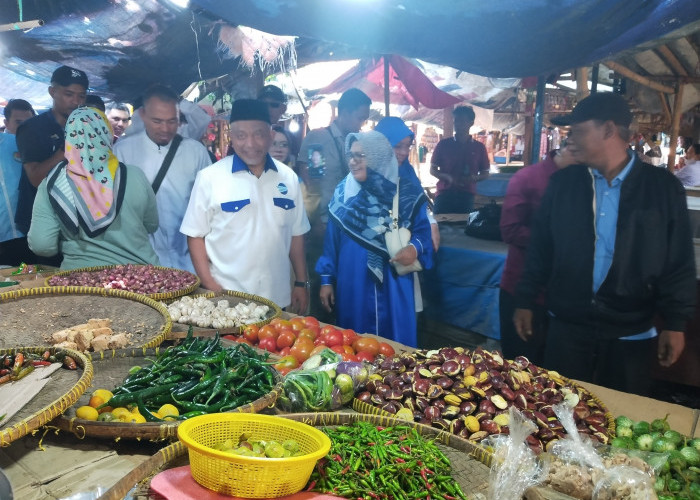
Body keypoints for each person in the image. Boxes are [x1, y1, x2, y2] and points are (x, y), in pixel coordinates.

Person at [513, 92, 696, 396]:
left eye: (579, 131)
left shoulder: (662, 189)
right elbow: (541, 250)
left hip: (632, 330)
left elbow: (678, 261)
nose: (571, 139)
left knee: (619, 417)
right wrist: (525, 299)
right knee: (560, 414)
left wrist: (676, 323)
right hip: (568, 325)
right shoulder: (563, 184)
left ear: (609, 130)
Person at [180, 99, 310, 313]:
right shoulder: (210, 177)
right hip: (228, 299)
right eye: (241, 136)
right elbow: (195, 235)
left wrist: (301, 283)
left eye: (258, 134)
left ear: (270, 135)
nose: (250, 144)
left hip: (277, 298)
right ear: (232, 137)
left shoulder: (288, 178)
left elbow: (297, 234)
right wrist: (209, 284)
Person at [316, 130, 433, 347]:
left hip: (394, 283)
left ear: (378, 156)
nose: (353, 161)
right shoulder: (343, 194)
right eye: (351, 155)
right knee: (355, 345)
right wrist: (326, 280)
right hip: (353, 282)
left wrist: (414, 250)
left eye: (361, 155)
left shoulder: (407, 192)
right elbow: (331, 243)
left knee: (397, 347)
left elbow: (423, 233)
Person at [28, 107, 159, 269]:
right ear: (106, 134)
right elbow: (152, 225)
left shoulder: (52, 184)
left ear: (68, 138)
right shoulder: (135, 175)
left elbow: (42, 245)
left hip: (81, 282)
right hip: (142, 278)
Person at [114, 84, 211, 272]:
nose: (165, 128)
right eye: (157, 121)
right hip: (142, 262)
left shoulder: (196, 152)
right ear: (142, 116)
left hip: (191, 260)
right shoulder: (123, 151)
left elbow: (211, 205)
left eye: (172, 121)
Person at [297, 88, 371, 319]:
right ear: (344, 112)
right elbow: (312, 181)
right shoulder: (320, 138)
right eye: (360, 118)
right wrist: (316, 219)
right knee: (322, 278)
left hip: (347, 226)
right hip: (325, 222)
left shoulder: (354, 143)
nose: (361, 124)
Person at [499, 146, 575, 365]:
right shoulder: (528, 178)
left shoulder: (582, 181)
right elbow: (510, 229)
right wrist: (557, 240)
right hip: (523, 288)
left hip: (563, 294)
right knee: (520, 367)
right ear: (570, 148)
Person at [15, 65, 88, 266]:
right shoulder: (32, 128)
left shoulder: (86, 127)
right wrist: (63, 153)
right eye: (69, 94)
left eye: (81, 96)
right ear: (52, 91)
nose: (76, 102)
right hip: (44, 221)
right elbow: (36, 178)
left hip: (79, 221)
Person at [374, 116, 440, 316]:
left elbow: (419, 209)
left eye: (407, 146)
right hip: (371, 258)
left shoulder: (406, 172)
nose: (403, 153)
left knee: (399, 313)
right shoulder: (362, 172)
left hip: (400, 258)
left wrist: (431, 223)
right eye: (397, 146)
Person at [430, 106, 490, 214]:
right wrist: (446, 177)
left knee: (464, 227)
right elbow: (432, 169)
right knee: (438, 226)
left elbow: (485, 173)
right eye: (456, 121)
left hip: (467, 195)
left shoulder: (479, 147)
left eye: (462, 121)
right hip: (444, 193)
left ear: (471, 123)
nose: (458, 124)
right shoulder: (443, 144)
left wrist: (474, 178)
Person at [0, 99, 35, 266]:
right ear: (6, 122)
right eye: (18, 122)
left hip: (29, 232)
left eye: (29, 123)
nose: (24, 128)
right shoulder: (8, 143)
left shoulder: (35, 148)